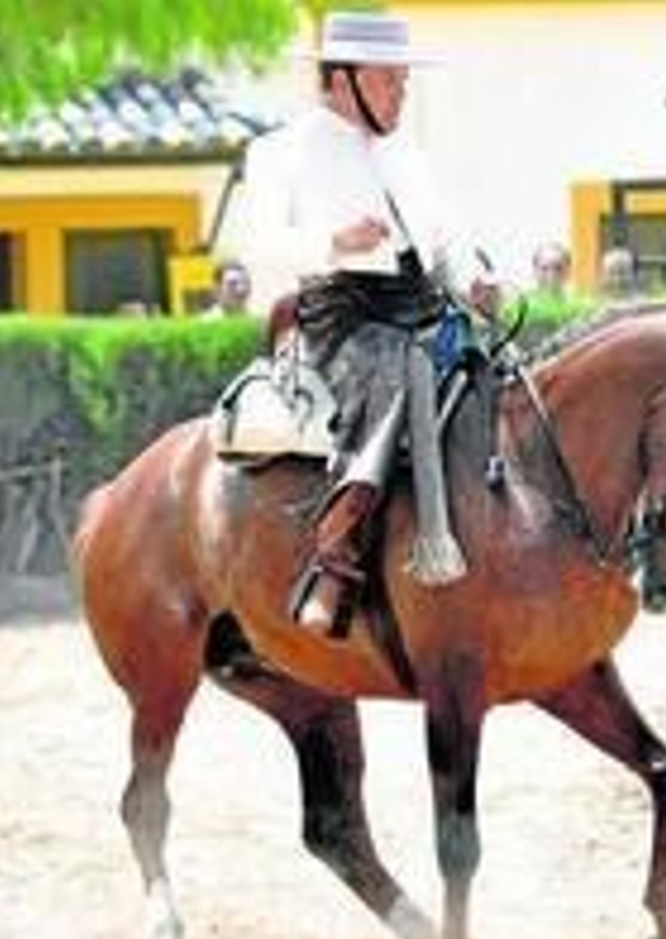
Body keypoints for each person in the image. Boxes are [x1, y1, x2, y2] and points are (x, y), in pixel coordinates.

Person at [235, 10, 497, 638]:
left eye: (403, 81)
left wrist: (475, 281)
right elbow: (256, 248)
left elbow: (443, 240)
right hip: (340, 315)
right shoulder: (280, 151)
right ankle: (335, 553)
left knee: (501, 374)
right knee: (398, 370)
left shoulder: (407, 154)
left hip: (422, 305)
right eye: (388, 81)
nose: (401, 93)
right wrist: (336, 240)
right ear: (341, 79)